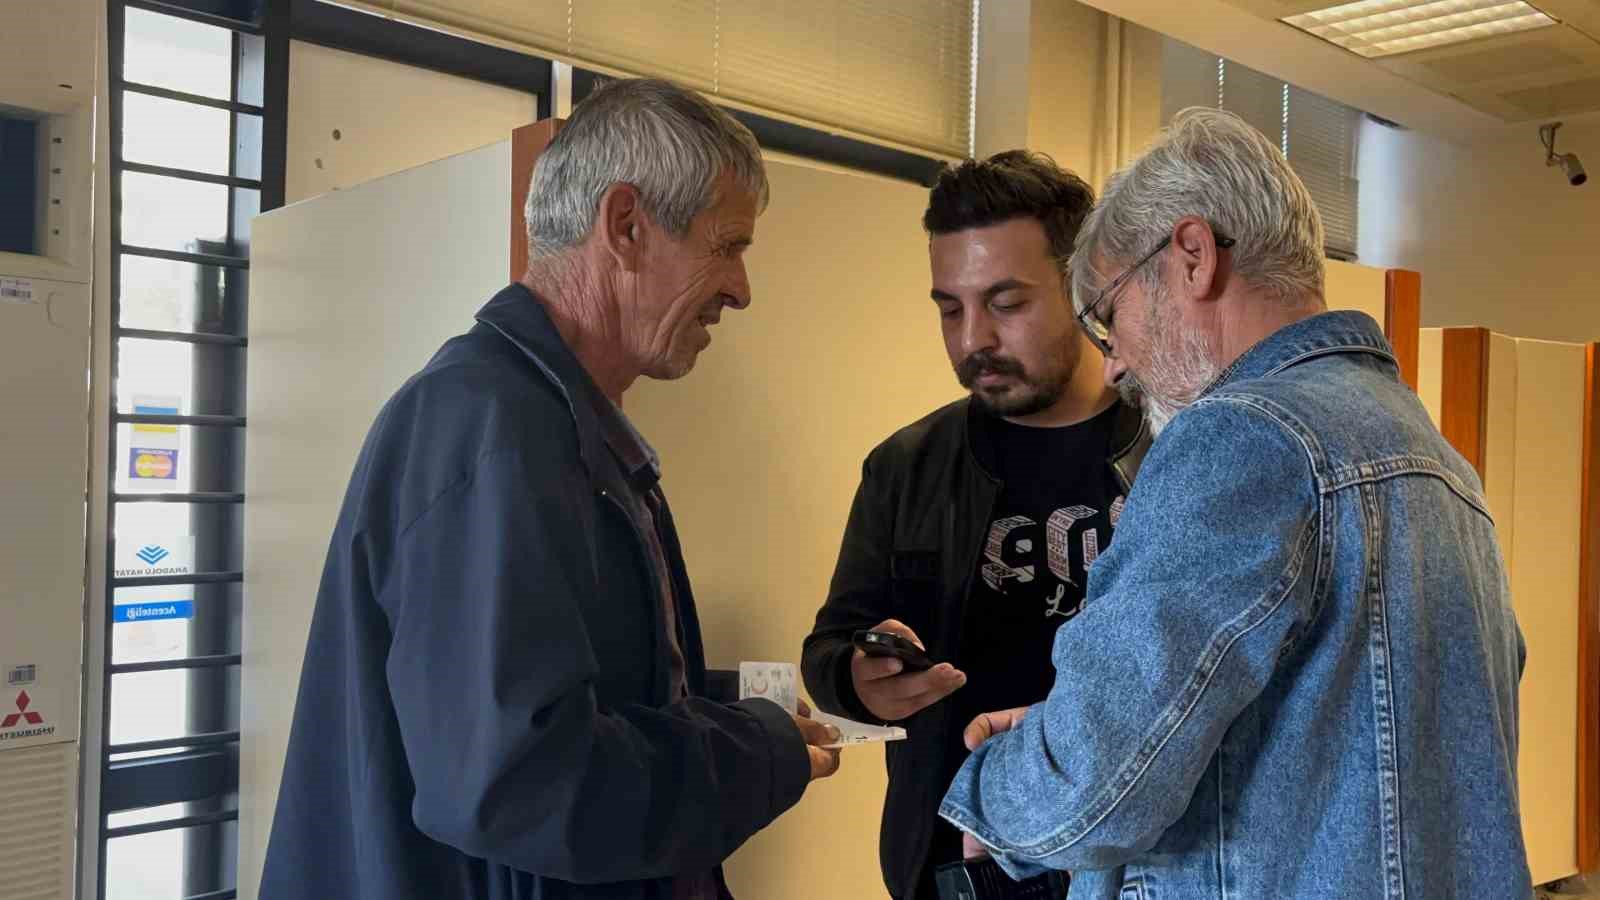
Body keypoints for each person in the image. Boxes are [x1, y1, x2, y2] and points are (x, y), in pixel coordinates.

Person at [259, 77, 842, 900]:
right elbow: (522, 783)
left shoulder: (549, 423)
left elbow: (567, 693)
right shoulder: (492, 429)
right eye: (727, 247)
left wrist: (758, 714)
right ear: (626, 225)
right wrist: (756, 753)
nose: (740, 289)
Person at [939, 108, 1531, 899]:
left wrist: (992, 786)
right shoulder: (1438, 458)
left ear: (1192, 256)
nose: (1114, 365)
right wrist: (1070, 724)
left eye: (1111, 315)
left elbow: (1093, 788)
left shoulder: (1239, 436)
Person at [802, 151, 1151, 900]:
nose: (973, 340)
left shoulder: (1176, 449)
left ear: (1083, 288)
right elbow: (830, 650)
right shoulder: (906, 467)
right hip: (959, 864)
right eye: (950, 309)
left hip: (1140, 864)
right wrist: (860, 681)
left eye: (1006, 303)